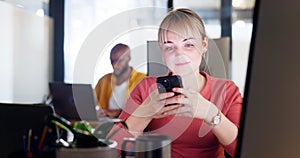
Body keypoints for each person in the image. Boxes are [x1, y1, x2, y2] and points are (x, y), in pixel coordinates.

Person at [110, 8, 242, 158]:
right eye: (169, 47)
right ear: (162, 50)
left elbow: (244, 150)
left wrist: (210, 113)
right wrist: (145, 112)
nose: (179, 54)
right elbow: (111, 149)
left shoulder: (227, 90)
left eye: (189, 45)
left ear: (204, 44)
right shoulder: (147, 88)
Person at [94, 43, 146, 118]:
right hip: (106, 122)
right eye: (112, 61)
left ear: (128, 58)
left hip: (130, 122)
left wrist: (118, 112)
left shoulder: (142, 80)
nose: (114, 65)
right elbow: (92, 104)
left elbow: (145, 109)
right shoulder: (104, 80)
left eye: (119, 61)